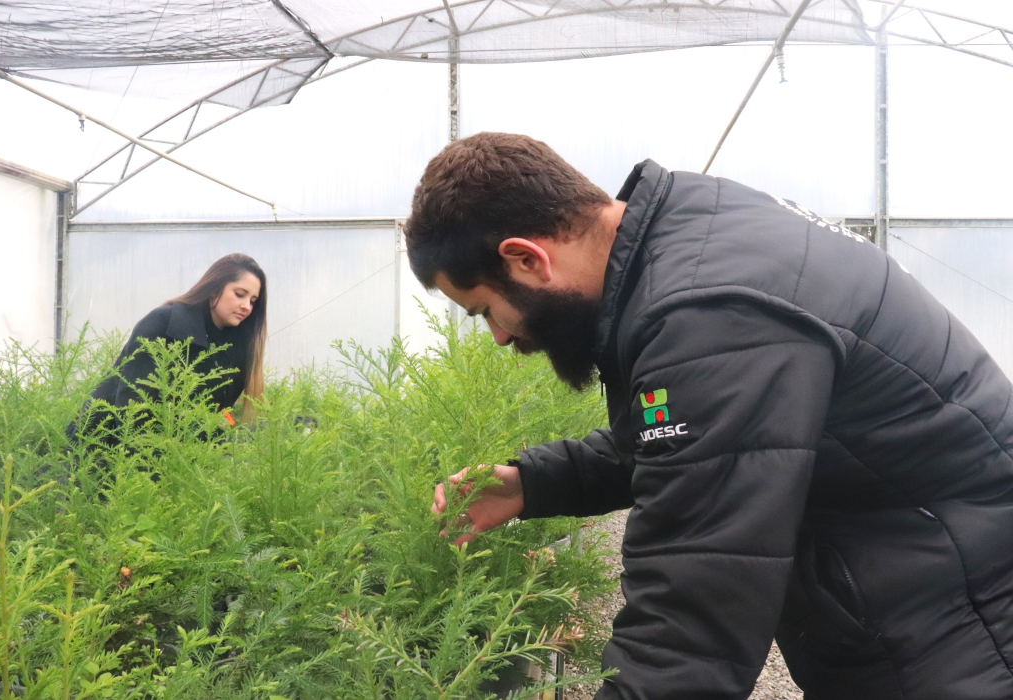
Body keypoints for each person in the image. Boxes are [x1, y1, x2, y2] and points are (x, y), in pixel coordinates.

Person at [406, 132, 1013, 700]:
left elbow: (693, 607)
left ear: (526, 258)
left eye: (483, 309)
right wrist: (535, 482)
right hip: (933, 578)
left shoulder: (708, 312)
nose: (499, 339)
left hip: (958, 631)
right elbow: (706, 437)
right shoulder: (695, 223)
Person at [67, 253, 267, 444]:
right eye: (240, 294)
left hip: (179, 462)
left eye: (252, 301)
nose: (247, 306)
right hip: (106, 449)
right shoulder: (165, 322)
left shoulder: (236, 345)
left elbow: (216, 415)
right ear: (214, 290)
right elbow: (132, 405)